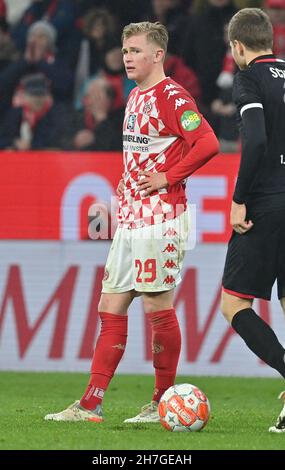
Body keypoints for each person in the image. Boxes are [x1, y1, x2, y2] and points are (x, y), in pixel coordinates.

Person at [44, 21, 219, 424]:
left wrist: (167, 177)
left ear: (158, 55)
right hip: (131, 217)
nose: (127, 58)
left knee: (158, 305)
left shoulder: (172, 97)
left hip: (161, 216)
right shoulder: (135, 97)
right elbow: (139, 158)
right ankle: (90, 404)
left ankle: (160, 401)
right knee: (111, 303)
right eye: (125, 51)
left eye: (136, 51)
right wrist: (121, 196)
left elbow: (207, 142)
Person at [221, 7, 285, 433]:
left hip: (266, 203)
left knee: (234, 304)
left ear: (238, 47)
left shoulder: (248, 78)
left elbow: (257, 139)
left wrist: (240, 198)